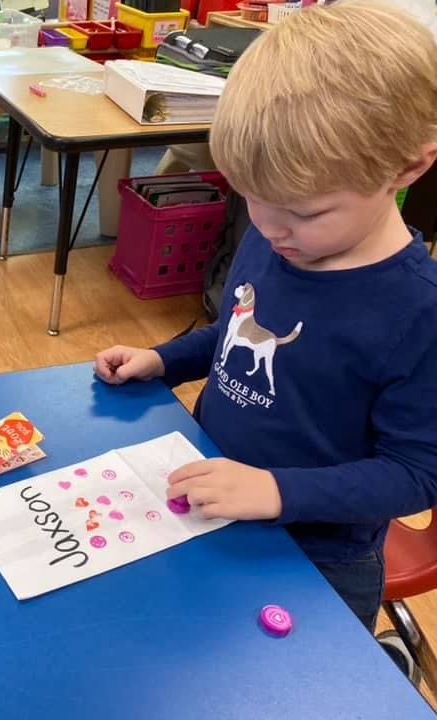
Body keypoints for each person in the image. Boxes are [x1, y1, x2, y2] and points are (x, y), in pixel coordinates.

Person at [95, 0, 437, 634]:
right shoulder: (275, 235)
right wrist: (167, 359)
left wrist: (279, 491)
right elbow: (236, 335)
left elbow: (417, 474)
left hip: (318, 557)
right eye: (251, 197)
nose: (271, 227)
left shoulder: (419, 313)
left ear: (409, 168)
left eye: (306, 212)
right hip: (210, 491)